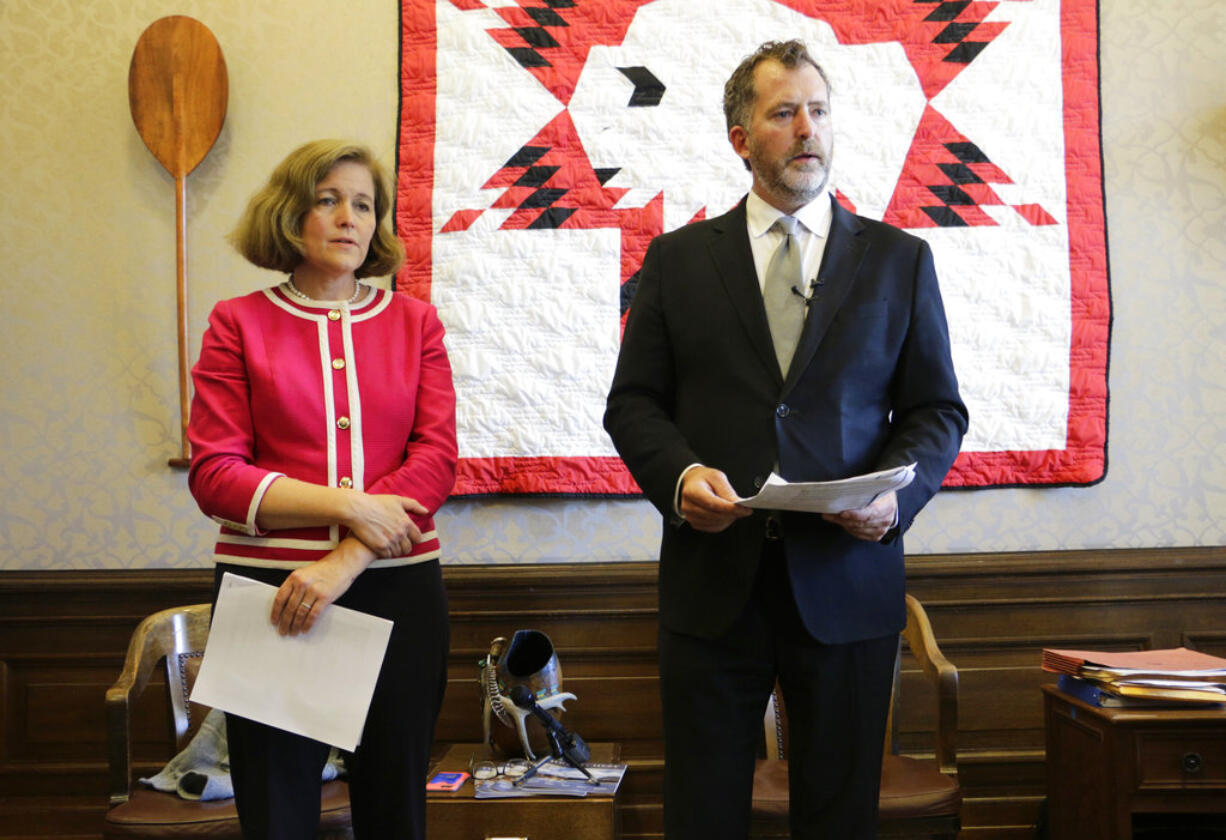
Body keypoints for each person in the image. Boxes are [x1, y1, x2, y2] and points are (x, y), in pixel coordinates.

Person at [604, 41, 968, 839]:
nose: (808, 128)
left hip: (848, 580)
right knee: (703, 814)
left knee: (839, 816)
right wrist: (680, 474)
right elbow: (633, 406)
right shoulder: (675, 260)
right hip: (713, 584)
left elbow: (937, 411)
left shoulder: (900, 261)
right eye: (783, 113)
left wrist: (890, 500)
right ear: (741, 137)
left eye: (820, 110)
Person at [187, 139, 457, 839]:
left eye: (364, 205)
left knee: (394, 809)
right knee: (278, 816)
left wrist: (346, 558)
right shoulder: (235, 323)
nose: (349, 218)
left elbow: (436, 459)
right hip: (273, 592)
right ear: (290, 214)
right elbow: (215, 473)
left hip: (397, 589)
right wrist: (347, 504)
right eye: (328, 199)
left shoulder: (415, 323)